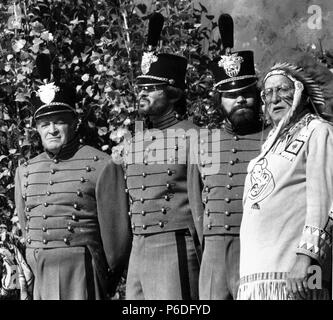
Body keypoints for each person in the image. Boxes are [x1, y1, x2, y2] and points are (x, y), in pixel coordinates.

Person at [14, 54, 132, 300]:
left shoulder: (102, 165)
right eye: (45, 124)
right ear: (36, 129)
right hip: (41, 277)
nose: (52, 130)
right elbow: (27, 228)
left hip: (82, 274)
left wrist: (104, 278)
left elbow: (117, 240)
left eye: (59, 122)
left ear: (74, 123)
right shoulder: (25, 171)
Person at [237, 53, 333, 300]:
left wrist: (307, 257)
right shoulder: (270, 143)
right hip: (257, 276)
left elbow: (325, 200)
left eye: (283, 89)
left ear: (301, 92)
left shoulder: (318, 131)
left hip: (295, 274)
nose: (274, 98)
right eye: (267, 93)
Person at [122, 12, 203, 300]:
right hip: (139, 247)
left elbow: (203, 202)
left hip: (176, 243)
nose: (142, 94)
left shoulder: (195, 136)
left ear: (172, 93)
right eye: (140, 88)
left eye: (151, 89)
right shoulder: (134, 141)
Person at [197, 14, 269, 300]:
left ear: (257, 95)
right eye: (231, 95)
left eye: (246, 93)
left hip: (256, 247)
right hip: (212, 252)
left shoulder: (274, 139)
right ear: (219, 101)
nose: (240, 99)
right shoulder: (205, 143)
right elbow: (195, 201)